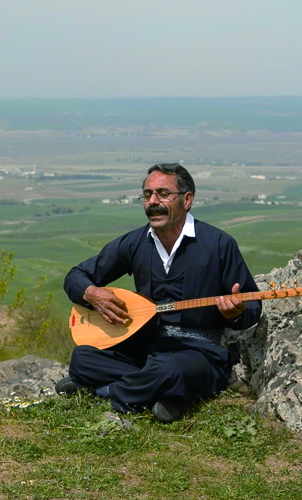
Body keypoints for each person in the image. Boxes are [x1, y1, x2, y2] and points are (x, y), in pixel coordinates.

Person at [56, 163, 261, 422]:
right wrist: (91, 293)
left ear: (187, 200)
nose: (153, 202)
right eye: (147, 194)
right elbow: (76, 276)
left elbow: (252, 306)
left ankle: (106, 390)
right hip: (145, 347)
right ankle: (165, 395)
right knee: (82, 358)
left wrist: (236, 313)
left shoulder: (219, 244)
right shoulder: (134, 242)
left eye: (163, 194)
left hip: (198, 352)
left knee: (171, 369)